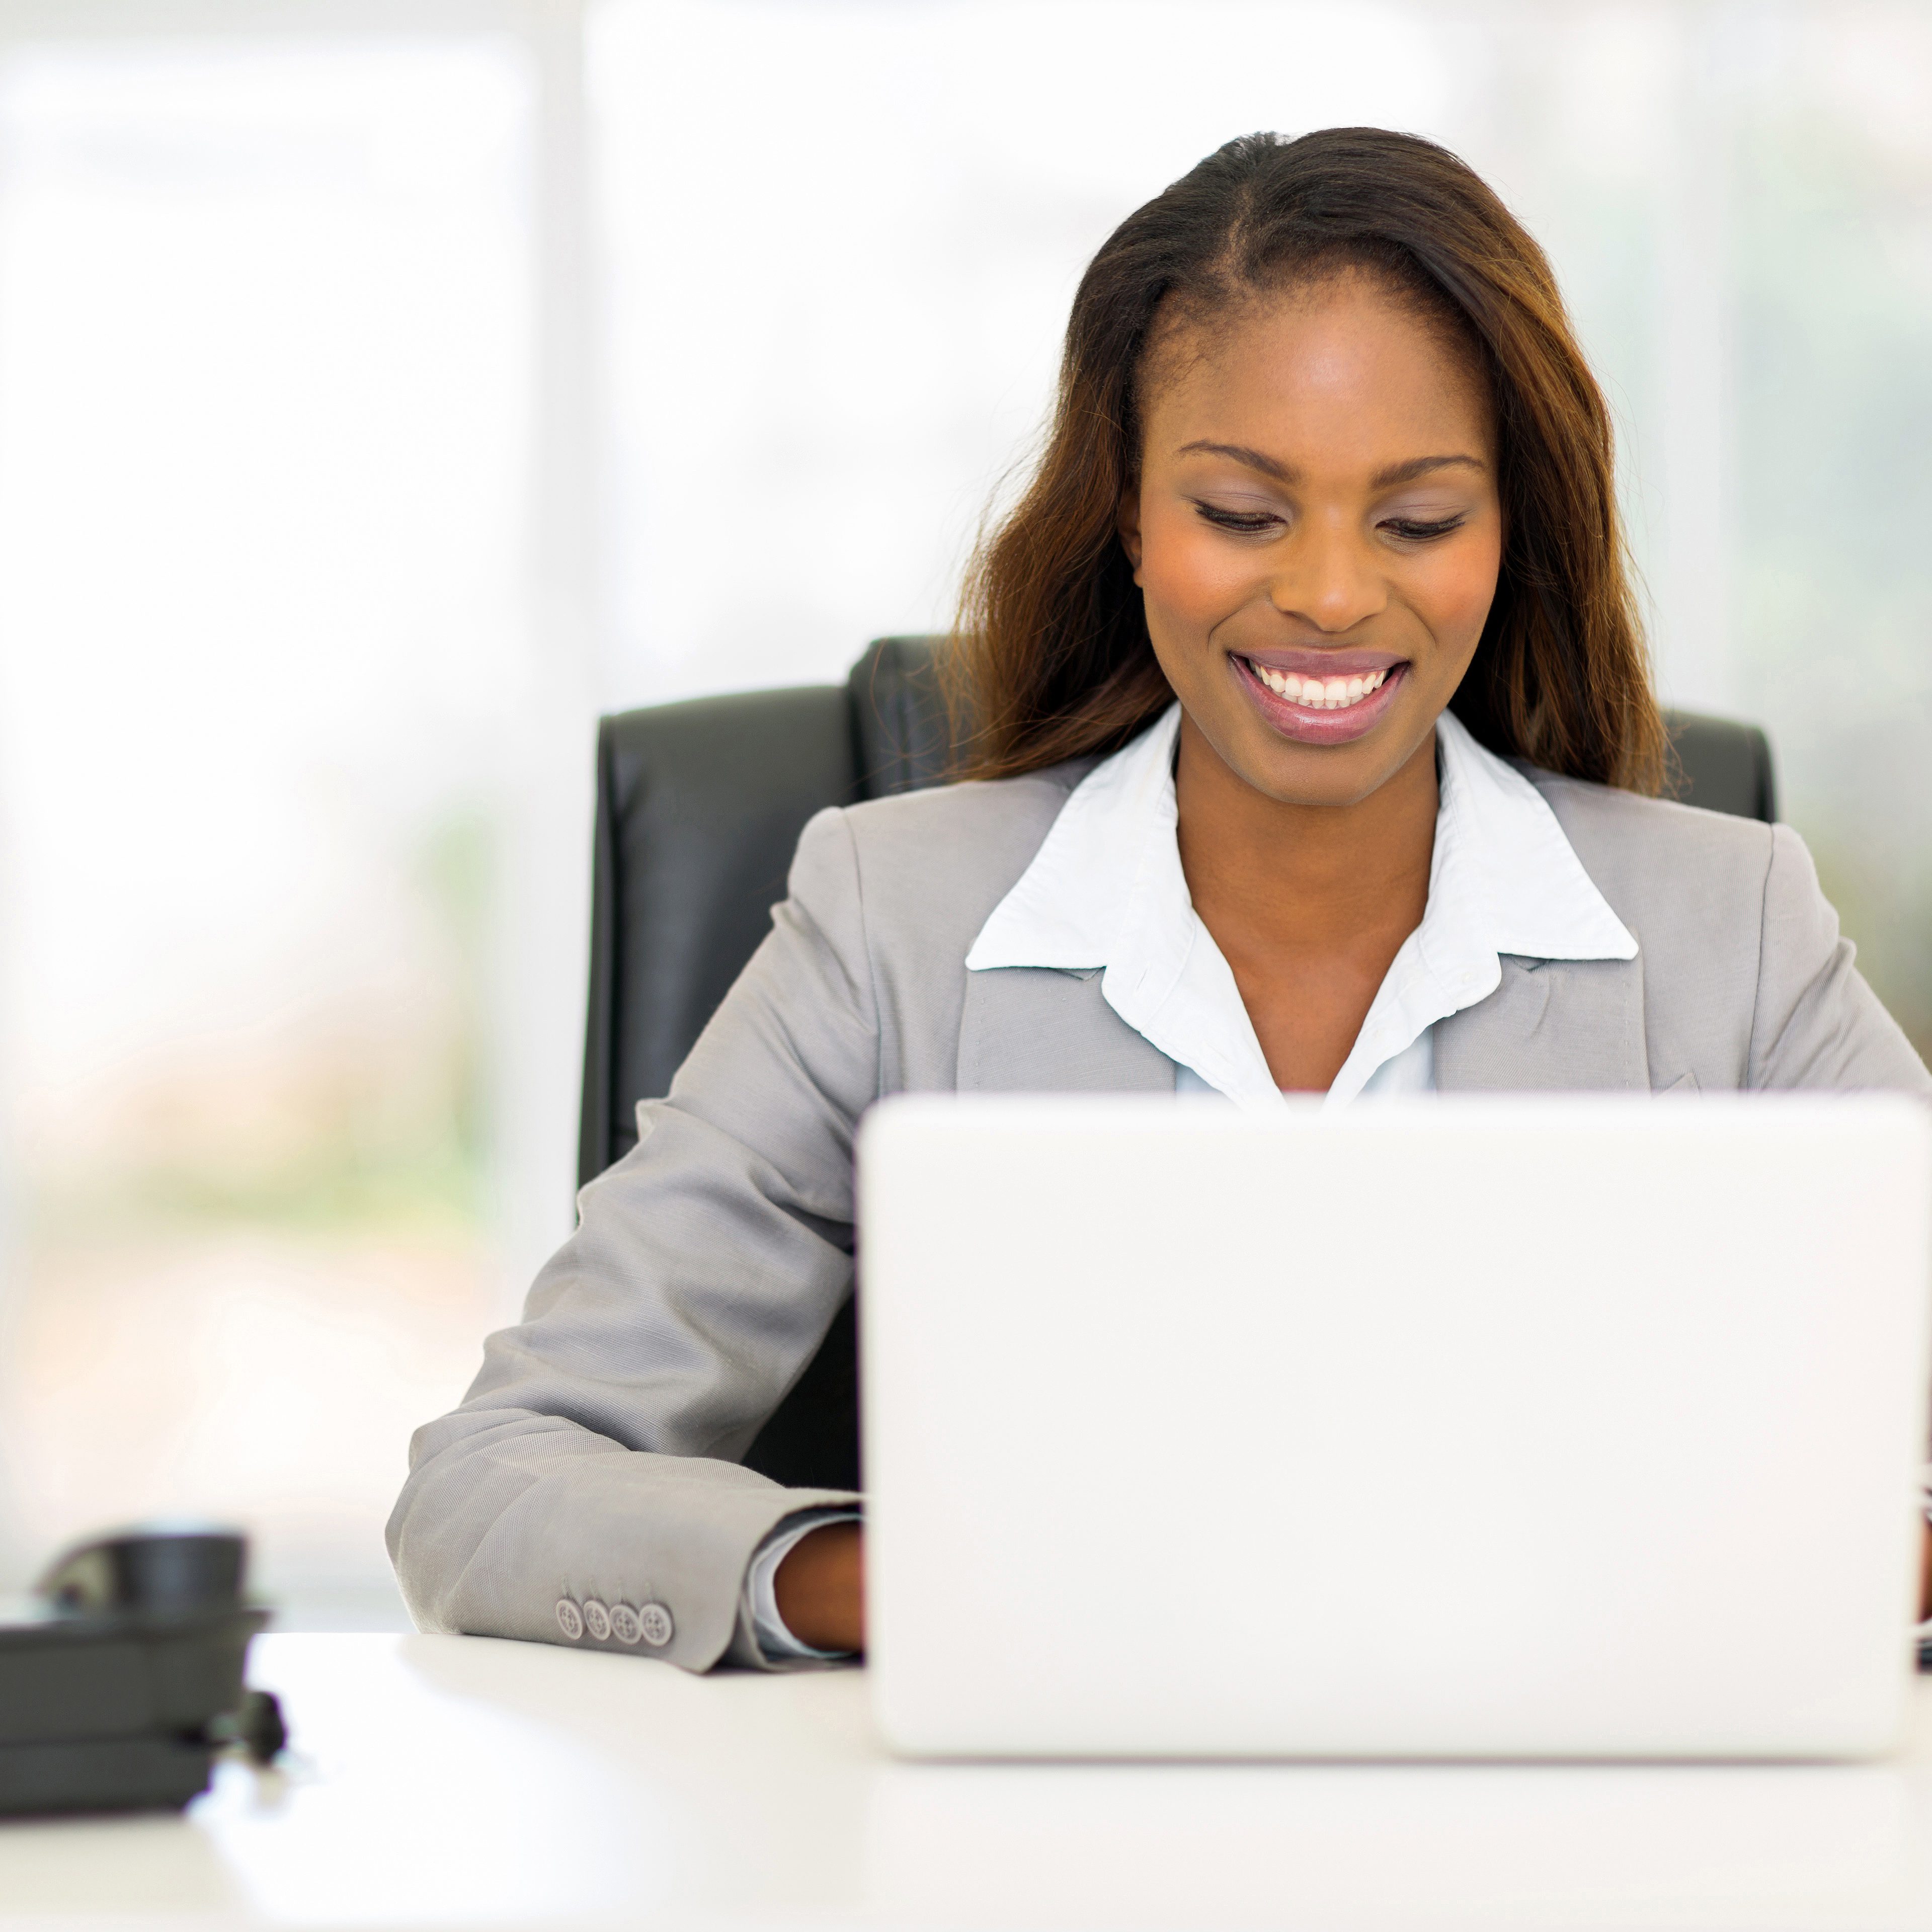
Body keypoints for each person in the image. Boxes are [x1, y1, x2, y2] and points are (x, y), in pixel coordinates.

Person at [388, 128, 1932, 1670]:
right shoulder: (892, 927)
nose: (1331, 593)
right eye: (1245, 513)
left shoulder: (1730, 935)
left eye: (1417, 519)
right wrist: (907, 1585)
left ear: (1510, 529)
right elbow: (488, 1488)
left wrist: (1823, 1557)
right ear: (1129, 514)